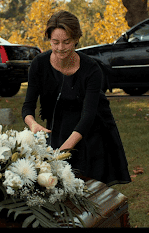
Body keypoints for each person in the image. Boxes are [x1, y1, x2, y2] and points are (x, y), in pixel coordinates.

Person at [22, 10, 131, 187]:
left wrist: (63, 152)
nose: (60, 48)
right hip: (59, 129)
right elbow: (27, 106)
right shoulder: (39, 65)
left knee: (90, 190)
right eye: (55, 42)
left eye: (67, 42)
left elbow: (88, 115)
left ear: (76, 39)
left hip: (92, 133)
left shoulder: (92, 69)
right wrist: (33, 124)